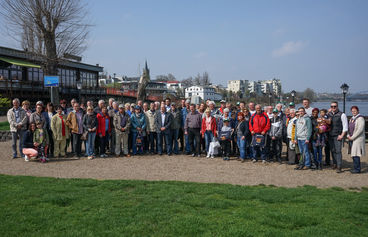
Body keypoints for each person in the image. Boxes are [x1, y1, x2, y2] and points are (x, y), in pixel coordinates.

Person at [327, 101, 348, 173]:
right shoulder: (329, 114)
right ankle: (335, 163)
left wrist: (342, 135)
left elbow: (345, 127)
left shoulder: (342, 115)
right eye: (332, 106)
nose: (333, 108)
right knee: (332, 150)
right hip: (330, 135)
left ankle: (339, 166)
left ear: (337, 106)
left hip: (338, 135)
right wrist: (327, 112)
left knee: (338, 151)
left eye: (334, 106)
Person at [347, 106, 365, 174]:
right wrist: (348, 135)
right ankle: (355, 167)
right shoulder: (351, 119)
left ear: (358, 111)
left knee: (356, 154)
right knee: (353, 154)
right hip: (351, 138)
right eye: (352, 111)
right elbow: (349, 128)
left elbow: (360, 130)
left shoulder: (360, 118)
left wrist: (352, 137)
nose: (353, 112)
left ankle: (357, 169)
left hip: (357, 139)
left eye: (355, 111)